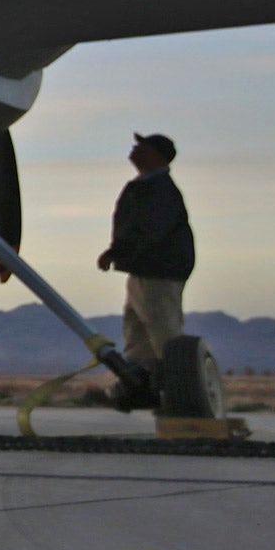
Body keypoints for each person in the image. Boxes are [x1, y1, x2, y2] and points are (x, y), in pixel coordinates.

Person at [92, 132, 194, 410]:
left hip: (159, 271)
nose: (135, 149)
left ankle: (180, 393)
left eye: (142, 146)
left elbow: (150, 230)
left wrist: (118, 252)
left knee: (163, 330)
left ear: (157, 155)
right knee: (137, 331)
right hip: (143, 269)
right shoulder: (145, 186)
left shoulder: (159, 190)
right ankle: (139, 387)